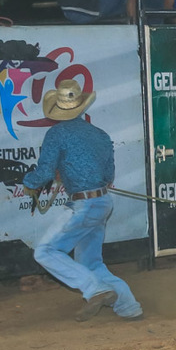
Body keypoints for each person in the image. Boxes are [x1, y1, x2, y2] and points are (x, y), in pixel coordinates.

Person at [21, 79, 143, 322]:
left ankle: (95, 290)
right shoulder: (100, 134)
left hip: (83, 205)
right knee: (91, 263)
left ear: (57, 108)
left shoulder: (56, 134)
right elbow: (108, 176)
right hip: (102, 202)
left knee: (45, 251)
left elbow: (44, 172)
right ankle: (129, 307)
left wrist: (29, 183)